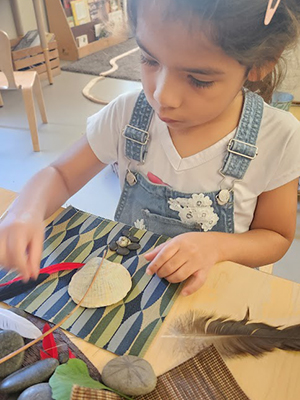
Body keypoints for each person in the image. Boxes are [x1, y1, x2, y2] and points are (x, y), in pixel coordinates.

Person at [1, 0, 300, 296]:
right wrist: (24, 211)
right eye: (149, 59)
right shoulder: (127, 115)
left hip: (213, 296)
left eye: (198, 79)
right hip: (132, 285)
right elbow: (60, 174)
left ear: (261, 64)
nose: (162, 95)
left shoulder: (278, 137)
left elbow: (276, 236)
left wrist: (216, 246)